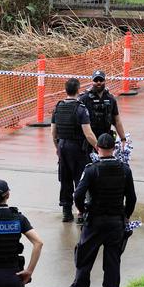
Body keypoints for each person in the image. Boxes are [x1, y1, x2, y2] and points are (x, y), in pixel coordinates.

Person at [63, 133, 137, 287]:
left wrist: (82, 209)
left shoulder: (91, 169)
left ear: (97, 148)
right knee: (112, 261)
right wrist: (125, 216)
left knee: (84, 259)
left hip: (94, 221)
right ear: (115, 148)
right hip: (115, 222)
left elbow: (78, 195)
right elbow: (132, 198)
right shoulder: (124, 170)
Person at [51, 78, 98, 223]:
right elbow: (88, 133)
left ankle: (66, 211)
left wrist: (57, 147)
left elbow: (53, 132)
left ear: (66, 90)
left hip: (62, 146)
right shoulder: (80, 109)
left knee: (65, 179)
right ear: (78, 90)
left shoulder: (58, 107)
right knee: (80, 179)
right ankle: (80, 212)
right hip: (77, 148)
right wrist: (98, 147)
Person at [78, 70, 126, 145]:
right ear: (92, 82)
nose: (98, 82)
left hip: (105, 138)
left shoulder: (111, 99)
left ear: (105, 81)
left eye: (101, 80)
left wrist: (123, 139)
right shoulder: (84, 99)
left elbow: (117, 120)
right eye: (96, 80)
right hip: (89, 139)